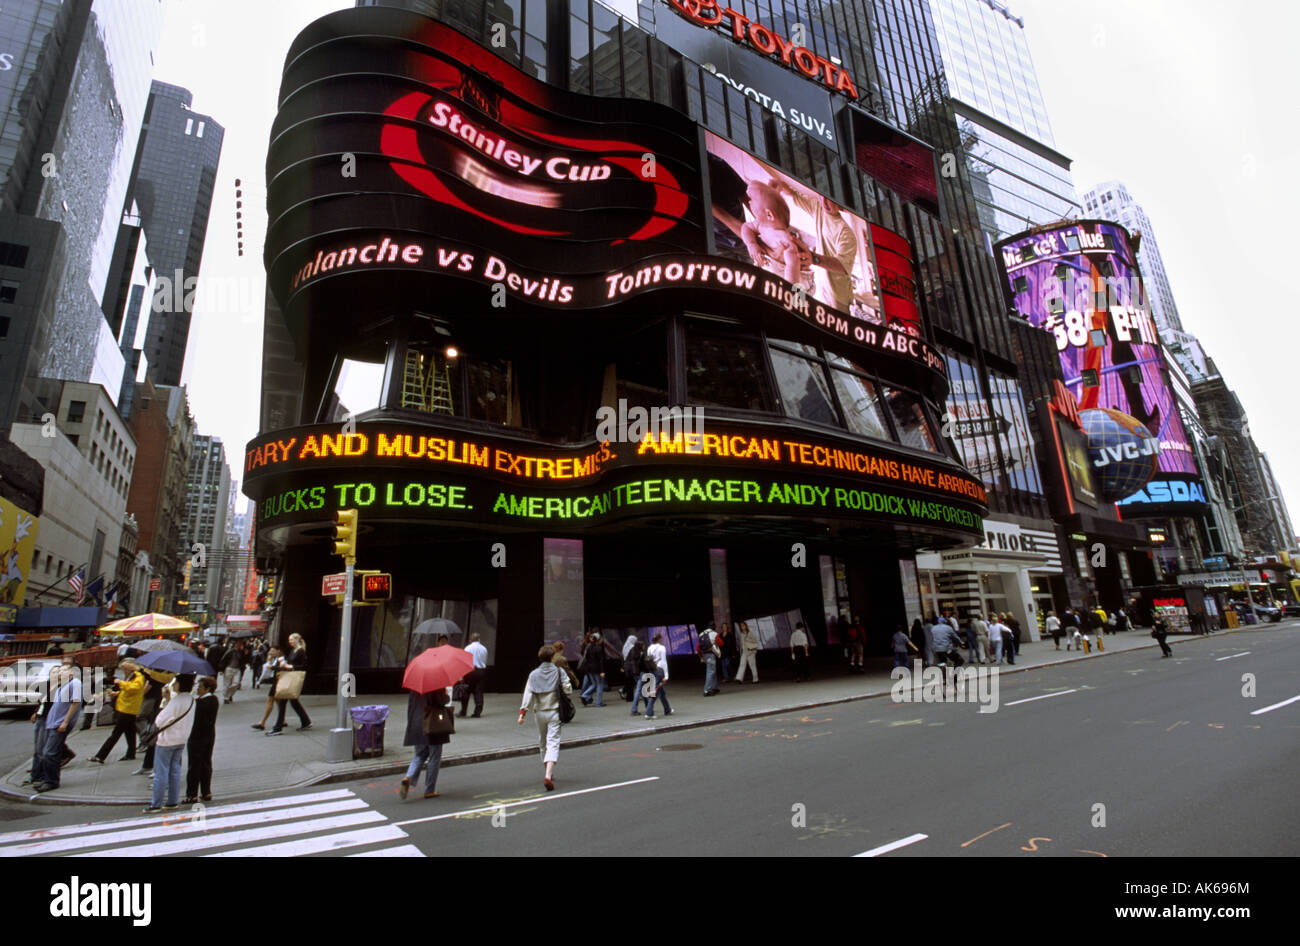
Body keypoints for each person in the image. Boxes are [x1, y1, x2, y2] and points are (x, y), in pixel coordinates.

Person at [518, 646, 571, 791]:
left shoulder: (533, 674)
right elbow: (567, 688)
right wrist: (566, 693)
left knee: (542, 741)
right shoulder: (559, 671)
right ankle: (548, 774)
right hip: (554, 711)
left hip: (539, 712)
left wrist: (522, 713)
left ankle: (547, 769)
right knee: (553, 741)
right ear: (552, 657)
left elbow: (528, 694)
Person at [740, 181, 811, 287]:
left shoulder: (786, 241)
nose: (749, 202)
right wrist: (751, 244)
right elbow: (745, 227)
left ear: (769, 214)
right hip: (773, 272)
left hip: (798, 280)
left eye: (752, 200)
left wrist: (787, 291)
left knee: (797, 293)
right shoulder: (760, 224)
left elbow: (792, 268)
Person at [144, 674, 195, 813]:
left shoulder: (176, 700)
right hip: (181, 738)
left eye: (175, 682)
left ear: (180, 684)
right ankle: (172, 801)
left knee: (161, 772)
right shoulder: (191, 699)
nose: (173, 685)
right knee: (175, 770)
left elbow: (160, 721)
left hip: (167, 740)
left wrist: (167, 702)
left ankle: (156, 804)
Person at [31, 662, 82, 792]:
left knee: (49, 753)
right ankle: (47, 779)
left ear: (71, 672)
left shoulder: (75, 683)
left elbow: (75, 703)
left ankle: (51, 781)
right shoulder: (62, 685)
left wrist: (65, 722)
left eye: (63, 670)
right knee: (49, 753)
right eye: (59, 671)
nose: (60, 672)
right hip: (52, 723)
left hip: (58, 724)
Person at [90, 658, 146, 764]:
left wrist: (121, 683)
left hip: (127, 708)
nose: (123, 671)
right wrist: (116, 693)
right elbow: (128, 690)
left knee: (116, 733)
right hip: (127, 707)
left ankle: (100, 756)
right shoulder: (132, 676)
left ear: (129, 668)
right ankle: (131, 753)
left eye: (124, 669)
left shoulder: (138, 676)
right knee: (130, 731)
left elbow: (135, 688)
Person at [401, 685, 452, 800]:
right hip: (433, 724)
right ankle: (429, 790)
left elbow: (411, 705)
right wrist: (446, 695)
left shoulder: (415, 686)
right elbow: (442, 700)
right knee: (434, 757)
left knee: (420, 754)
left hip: (417, 723)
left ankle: (408, 777)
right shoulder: (436, 684)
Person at [183, 676, 219, 803]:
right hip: (209, 735)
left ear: (207, 689)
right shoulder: (214, 700)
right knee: (206, 763)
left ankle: (192, 794)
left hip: (197, 736)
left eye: (200, 687)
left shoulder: (199, 703)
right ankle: (206, 791)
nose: (197, 689)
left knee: (194, 765)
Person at [268, 633, 311, 735]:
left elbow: (304, 666)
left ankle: (278, 728)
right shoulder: (294, 651)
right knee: (293, 702)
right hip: (291, 678)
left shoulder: (300, 651)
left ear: (297, 640)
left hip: (292, 678)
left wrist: (290, 667)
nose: (290, 642)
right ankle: (305, 721)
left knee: (283, 702)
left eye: (291, 640)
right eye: (289, 640)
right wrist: (282, 665)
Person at [133, 669, 170, 776]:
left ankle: (157, 769)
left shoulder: (167, 677)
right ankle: (148, 765)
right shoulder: (160, 675)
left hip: (163, 710)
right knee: (153, 741)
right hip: (158, 708)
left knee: (159, 742)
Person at [250, 645, 285, 729]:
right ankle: (283, 720)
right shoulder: (275, 659)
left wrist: (272, 667)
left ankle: (262, 722)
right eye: (270, 651)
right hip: (275, 681)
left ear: (278, 651)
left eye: (273, 651)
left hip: (278, 681)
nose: (271, 652)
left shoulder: (281, 659)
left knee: (270, 700)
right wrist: (269, 660)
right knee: (278, 701)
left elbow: (282, 668)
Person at [458, 632, 488, 718]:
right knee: (479, 691)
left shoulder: (467, 648)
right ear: (479, 639)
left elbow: (464, 661)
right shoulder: (484, 649)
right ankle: (477, 712)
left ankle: (463, 711)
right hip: (481, 671)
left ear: (471, 639)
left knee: (466, 690)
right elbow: (484, 660)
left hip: (469, 671)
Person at [577, 631, 607, 707]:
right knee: (600, 684)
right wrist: (602, 671)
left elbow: (586, 658)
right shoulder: (599, 648)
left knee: (594, 684)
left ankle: (584, 695)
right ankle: (599, 702)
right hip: (597, 669)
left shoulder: (588, 647)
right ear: (598, 639)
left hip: (589, 668)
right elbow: (601, 661)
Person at [646, 633, 672, 718]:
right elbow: (664, 662)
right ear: (659, 639)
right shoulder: (662, 648)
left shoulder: (649, 648)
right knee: (655, 691)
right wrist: (666, 675)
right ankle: (649, 713)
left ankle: (667, 709)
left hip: (652, 670)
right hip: (659, 670)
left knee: (661, 692)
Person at [628, 637, 655, 717]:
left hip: (634, 673)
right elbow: (643, 664)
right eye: (643, 645)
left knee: (642, 689)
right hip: (640, 673)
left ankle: (647, 706)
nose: (644, 647)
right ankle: (634, 709)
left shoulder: (632, 651)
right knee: (639, 690)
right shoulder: (640, 653)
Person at [699, 625, 720, 696]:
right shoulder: (714, 634)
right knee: (710, 672)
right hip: (711, 654)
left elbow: (698, 647)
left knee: (712, 670)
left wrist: (700, 656)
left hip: (704, 654)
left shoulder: (701, 634)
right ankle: (707, 690)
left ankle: (714, 687)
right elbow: (721, 643)